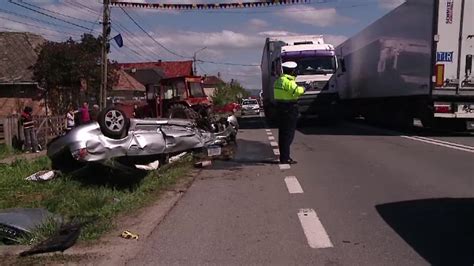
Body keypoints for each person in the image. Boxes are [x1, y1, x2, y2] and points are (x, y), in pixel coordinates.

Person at [273, 61, 305, 164]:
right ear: (292, 71)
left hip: (280, 108)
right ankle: (285, 158)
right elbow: (297, 91)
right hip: (289, 108)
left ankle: (284, 157)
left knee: (282, 134)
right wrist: (304, 88)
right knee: (288, 134)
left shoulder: (278, 81)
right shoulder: (288, 82)